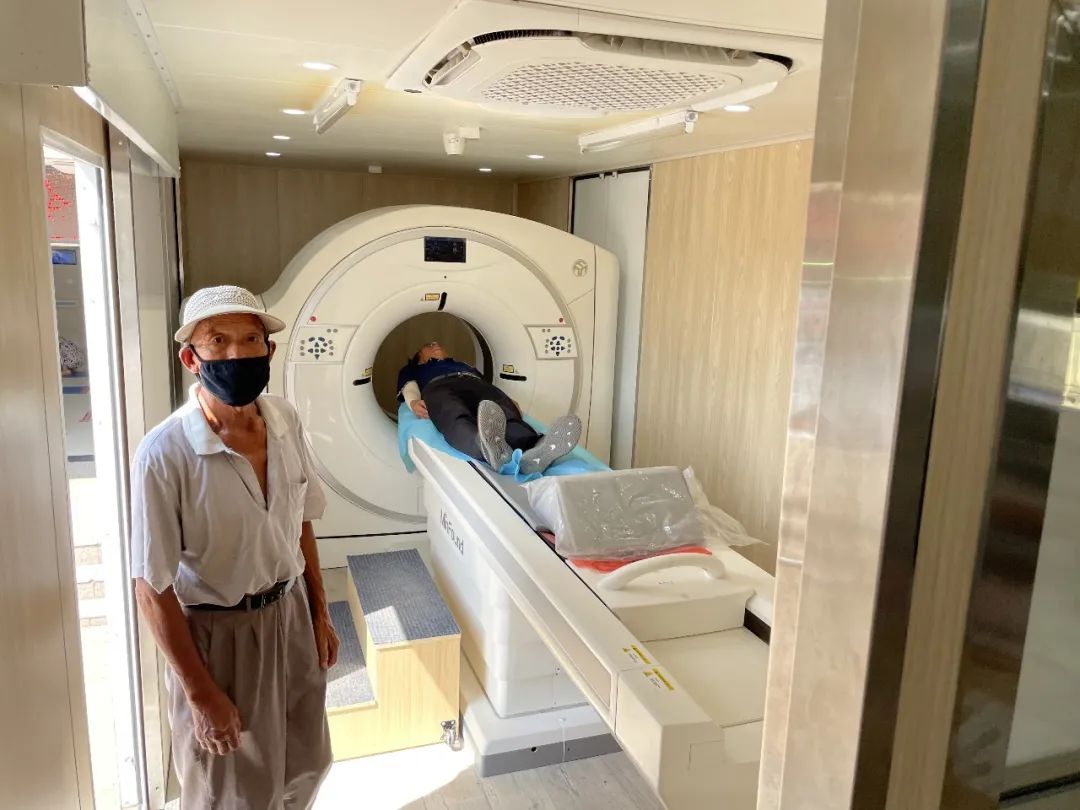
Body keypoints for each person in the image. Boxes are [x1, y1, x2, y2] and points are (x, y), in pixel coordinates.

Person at [130, 285, 338, 809]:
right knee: (232, 793)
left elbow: (300, 520)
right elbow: (151, 587)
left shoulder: (285, 420)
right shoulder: (166, 453)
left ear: (269, 351)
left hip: (290, 616)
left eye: (250, 339)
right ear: (191, 359)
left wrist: (319, 612)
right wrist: (201, 693)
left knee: (306, 765)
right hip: (218, 635)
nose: (236, 353)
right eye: (217, 341)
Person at [398, 341, 582, 475]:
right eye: (429, 345)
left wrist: (507, 399)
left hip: (475, 384)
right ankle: (484, 446)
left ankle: (535, 449)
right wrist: (413, 402)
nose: (436, 344)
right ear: (419, 357)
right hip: (439, 386)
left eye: (437, 343)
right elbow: (409, 386)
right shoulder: (415, 369)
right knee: (453, 414)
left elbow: (488, 386)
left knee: (500, 409)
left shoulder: (463, 365)